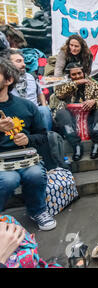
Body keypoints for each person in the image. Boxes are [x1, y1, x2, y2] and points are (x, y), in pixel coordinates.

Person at [0, 58, 57, 231]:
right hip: (2, 163)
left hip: (26, 158)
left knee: (35, 174)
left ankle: (37, 211)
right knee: (9, 180)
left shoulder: (26, 106)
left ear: (9, 80)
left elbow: (42, 136)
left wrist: (28, 140)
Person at [50, 62, 98, 161]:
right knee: (61, 114)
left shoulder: (93, 83)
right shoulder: (64, 83)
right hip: (70, 116)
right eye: (74, 74)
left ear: (83, 72)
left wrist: (94, 101)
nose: (77, 76)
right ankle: (76, 145)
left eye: (79, 73)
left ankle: (97, 144)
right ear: (69, 75)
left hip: (89, 115)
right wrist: (75, 83)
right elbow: (59, 94)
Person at [2, 49, 52, 131]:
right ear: (8, 63)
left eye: (23, 61)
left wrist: (44, 105)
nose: (24, 64)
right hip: (15, 113)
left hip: (34, 112)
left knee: (44, 110)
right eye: (19, 61)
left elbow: (40, 93)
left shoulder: (30, 77)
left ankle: (46, 136)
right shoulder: (5, 80)